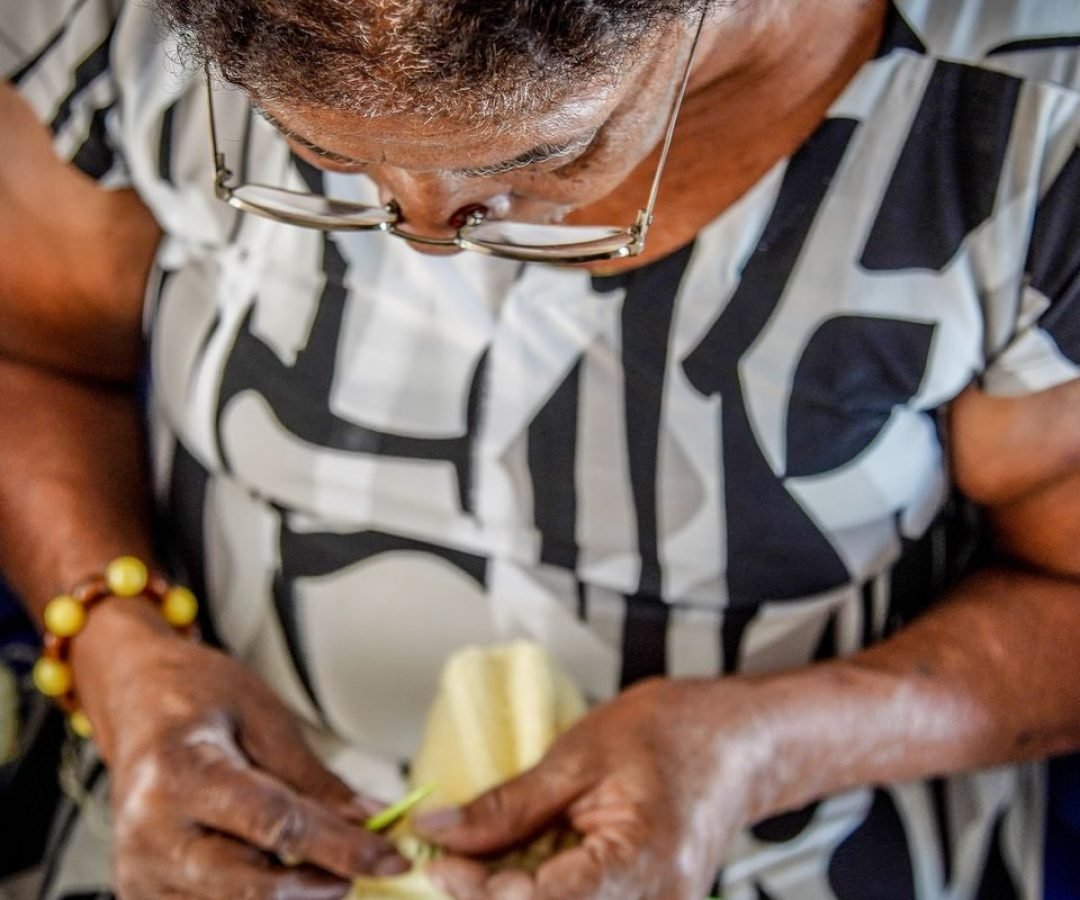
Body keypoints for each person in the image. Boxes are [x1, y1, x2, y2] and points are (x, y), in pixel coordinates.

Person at [0, 0, 1079, 898]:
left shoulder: (1021, 132)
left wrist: (766, 748)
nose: (422, 230)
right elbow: (34, 358)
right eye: (321, 150)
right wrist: (110, 637)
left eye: (541, 154)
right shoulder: (122, 25)